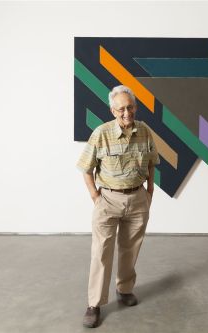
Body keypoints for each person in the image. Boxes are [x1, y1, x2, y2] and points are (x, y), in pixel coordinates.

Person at [76, 85, 160, 328]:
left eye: (130, 107)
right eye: (121, 108)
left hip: (137, 200)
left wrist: (150, 190)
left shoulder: (144, 131)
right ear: (113, 110)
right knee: (101, 252)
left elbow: (152, 162)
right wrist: (95, 197)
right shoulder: (101, 133)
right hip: (108, 201)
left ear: (136, 107)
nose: (127, 112)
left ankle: (124, 289)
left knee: (129, 249)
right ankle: (94, 304)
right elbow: (86, 168)